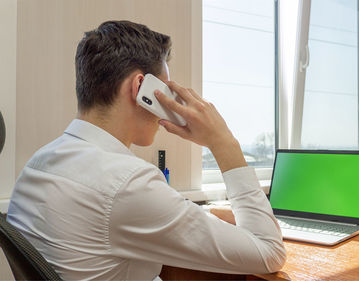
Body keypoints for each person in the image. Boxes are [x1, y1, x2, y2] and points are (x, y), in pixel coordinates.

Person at [7, 20, 286, 280]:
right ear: (142, 88)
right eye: (163, 90)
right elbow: (268, 252)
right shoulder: (126, 182)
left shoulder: (39, 163)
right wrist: (223, 142)